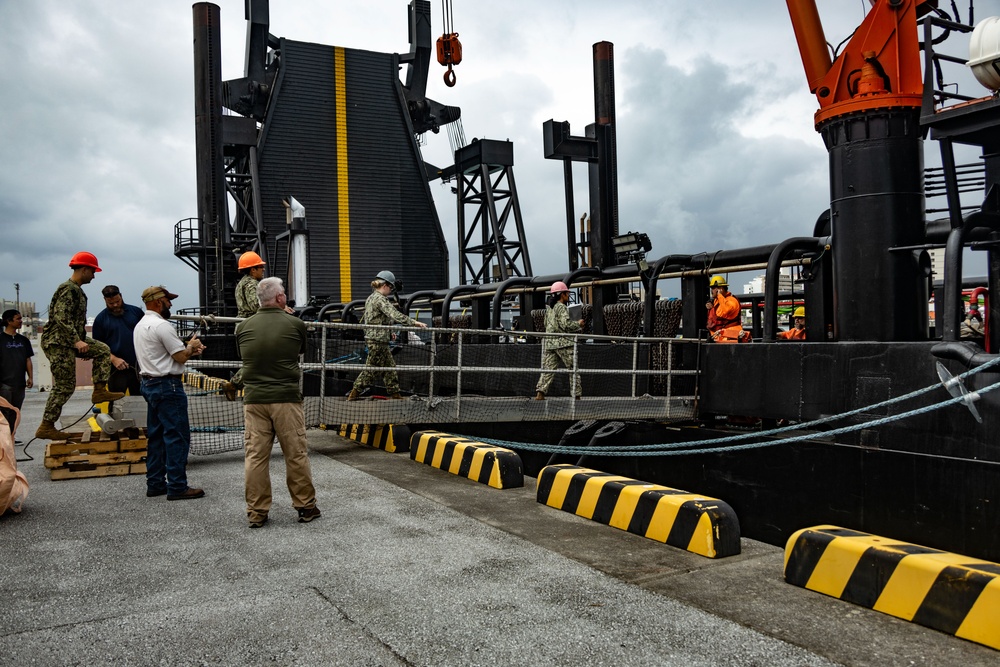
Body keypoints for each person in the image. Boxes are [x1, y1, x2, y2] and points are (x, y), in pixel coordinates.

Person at [236, 277, 319, 528]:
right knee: (295, 455)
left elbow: (244, 356)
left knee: (255, 457)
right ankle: (305, 507)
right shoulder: (295, 324)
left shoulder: (242, 328)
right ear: (280, 298)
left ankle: (257, 512)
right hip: (285, 399)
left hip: (254, 400)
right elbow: (300, 351)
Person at [35, 252, 125, 442]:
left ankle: (99, 390)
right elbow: (61, 318)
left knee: (102, 350)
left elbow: (74, 322)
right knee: (65, 386)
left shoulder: (77, 290)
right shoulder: (68, 289)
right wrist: (77, 342)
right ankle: (46, 426)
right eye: (93, 271)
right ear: (84, 269)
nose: (94, 276)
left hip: (69, 340)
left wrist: (82, 343)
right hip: (59, 342)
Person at [134, 285, 207, 501]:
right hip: (168, 386)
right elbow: (180, 358)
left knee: (156, 436)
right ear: (158, 302)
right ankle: (177, 486)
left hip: (149, 384)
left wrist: (188, 349)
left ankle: (155, 482)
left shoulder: (140, 325)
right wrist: (191, 346)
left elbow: (164, 355)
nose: (171, 304)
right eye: (168, 300)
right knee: (177, 435)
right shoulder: (162, 326)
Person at [347, 270, 427, 401]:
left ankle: (395, 394)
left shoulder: (371, 298)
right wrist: (414, 322)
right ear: (385, 285)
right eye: (390, 287)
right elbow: (393, 314)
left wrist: (390, 333)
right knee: (372, 370)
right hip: (377, 341)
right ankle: (354, 393)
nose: (391, 291)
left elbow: (377, 319)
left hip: (377, 339)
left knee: (389, 368)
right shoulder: (380, 299)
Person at [534, 281, 585, 400]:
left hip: (550, 343)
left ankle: (540, 393)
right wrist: (578, 324)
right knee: (573, 369)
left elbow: (546, 323)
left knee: (548, 370)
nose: (568, 295)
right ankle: (576, 396)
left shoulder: (549, 308)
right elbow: (566, 324)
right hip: (563, 343)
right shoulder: (561, 307)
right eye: (567, 293)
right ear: (562, 294)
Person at [92, 285, 145, 396]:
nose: (115, 305)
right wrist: (114, 359)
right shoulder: (100, 320)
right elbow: (97, 347)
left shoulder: (136, 312)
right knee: (116, 402)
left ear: (121, 296)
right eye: (111, 303)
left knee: (142, 401)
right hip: (116, 370)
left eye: (117, 301)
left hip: (139, 367)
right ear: (105, 300)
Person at [0, 310, 33, 438]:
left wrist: (30, 377)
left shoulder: (23, 340)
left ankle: (12, 435)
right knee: (4, 412)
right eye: (18, 319)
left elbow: (28, 359)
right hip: (4, 384)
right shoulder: (1, 340)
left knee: (16, 411)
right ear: (9, 321)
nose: (21, 321)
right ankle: (4, 438)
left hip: (19, 383)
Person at [706, 275, 750, 343]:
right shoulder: (717, 301)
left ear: (720, 289)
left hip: (731, 338)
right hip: (718, 338)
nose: (711, 290)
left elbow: (726, 310)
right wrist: (711, 307)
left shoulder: (732, 300)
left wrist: (719, 296)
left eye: (713, 288)